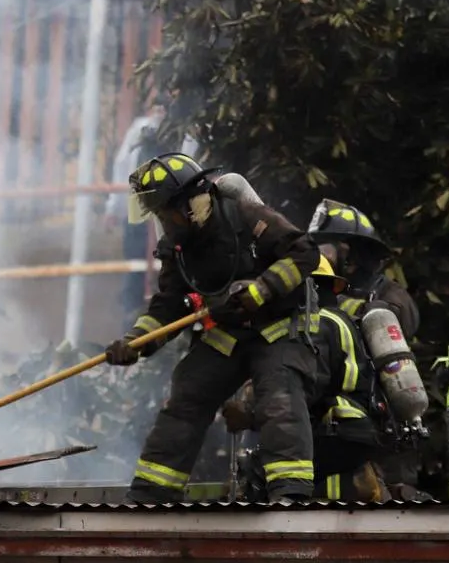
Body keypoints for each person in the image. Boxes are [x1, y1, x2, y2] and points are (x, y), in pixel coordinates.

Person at [103, 152, 321, 504]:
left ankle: (290, 496)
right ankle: (151, 494)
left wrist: (262, 290)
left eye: (165, 211)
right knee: (189, 389)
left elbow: (304, 253)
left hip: (279, 326)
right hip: (230, 330)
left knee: (279, 396)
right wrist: (135, 342)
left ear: (191, 204)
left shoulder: (245, 217)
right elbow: (169, 305)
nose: (163, 221)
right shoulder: (178, 249)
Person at [222, 256, 392, 502]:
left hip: (333, 429)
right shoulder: (341, 320)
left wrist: (249, 413)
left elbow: (298, 387)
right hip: (356, 428)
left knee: (261, 476)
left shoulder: (314, 326)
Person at [307, 198, 429, 500]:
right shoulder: (318, 298)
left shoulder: (387, 296)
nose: (317, 258)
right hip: (332, 428)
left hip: (383, 436)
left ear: (351, 253)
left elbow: (401, 320)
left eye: (324, 249)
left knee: (387, 520)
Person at [103, 107, 199, 325]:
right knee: (136, 269)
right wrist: (113, 208)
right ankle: (131, 328)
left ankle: (169, 327)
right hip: (139, 205)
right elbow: (124, 167)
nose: (161, 108)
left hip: (172, 209)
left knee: (172, 268)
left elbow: (191, 165)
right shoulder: (139, 129)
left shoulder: (186, 131)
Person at [307, 198, 419, 338]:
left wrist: (330, 300)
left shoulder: (386, 292)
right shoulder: (305, 286)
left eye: (325, 247)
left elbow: (398, 320)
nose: (320, 256)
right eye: (316, 246)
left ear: (352, 257)